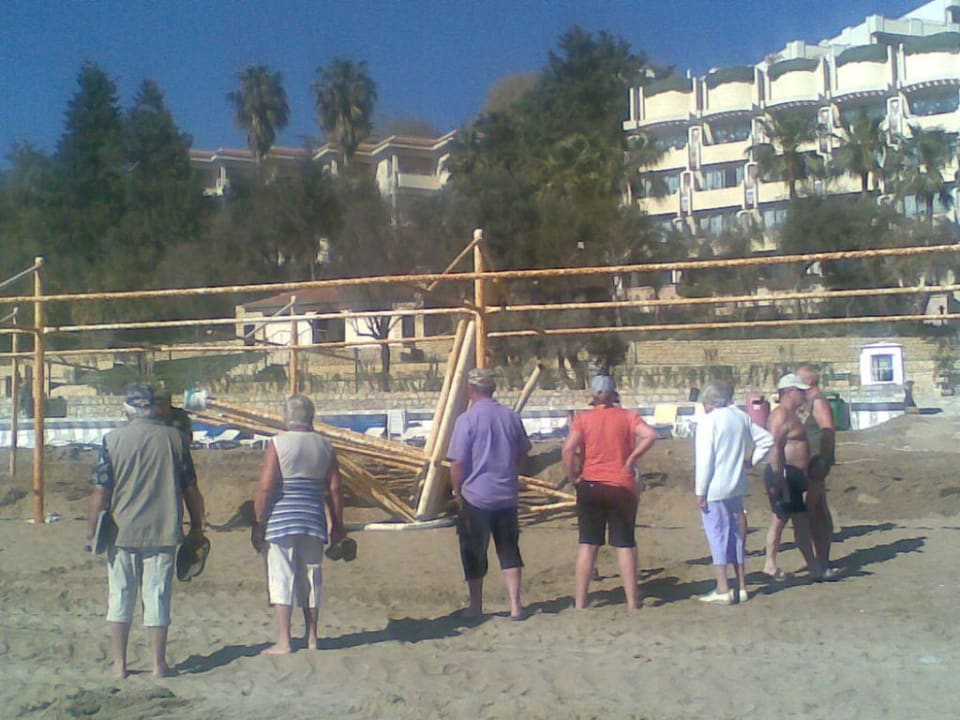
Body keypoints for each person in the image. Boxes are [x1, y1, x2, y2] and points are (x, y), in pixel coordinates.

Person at [86, 383, 206, 679]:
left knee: (120, 595)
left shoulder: (112, 440)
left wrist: (91, 529)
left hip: (121, 530)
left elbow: (101, 491)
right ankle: (159, 664)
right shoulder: (176, 440)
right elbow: (191, 489)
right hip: (163, 529)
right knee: (157, 595)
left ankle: (120, 664)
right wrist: (197, 527)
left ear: (127, 409)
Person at [253, 394, 346, 654]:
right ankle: (312, 637)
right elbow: (335, 489)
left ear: (286, 417)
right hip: (314, 517)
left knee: (282, 576)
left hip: (282, 518)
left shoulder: (278, 443)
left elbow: (266, 486)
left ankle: (284, 641)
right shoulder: (326, 445)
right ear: (311, 417)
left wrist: (259, 520)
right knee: (311, 576)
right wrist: (339, 524)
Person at [562, 375, 658, 610]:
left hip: (591, 483)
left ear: (593, 395)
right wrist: (631, 459)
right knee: (625, 544)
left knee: (588, 544)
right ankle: (632, 602)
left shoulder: (583, 419)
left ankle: (580, 602)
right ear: (614, 394)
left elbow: (568, 448)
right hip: (620, 485)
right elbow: (650, 435)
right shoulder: (628, 416)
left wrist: (573, 476)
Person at [447, 367, 531, 619]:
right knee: (509, 550)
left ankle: (476, 606)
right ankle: (516, 605)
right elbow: (523, 453)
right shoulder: (510, 416)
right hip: (506, 494)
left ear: (471, 389)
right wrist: (513, 475)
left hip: (476, 496)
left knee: (474, 551)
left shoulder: (467, 420)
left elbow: (457, 462)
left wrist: (457, 490)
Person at [694, 381, 773, 605]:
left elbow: (705, 460)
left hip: (714, 488)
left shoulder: (708, 422)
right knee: (737, 536)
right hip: (737, 485)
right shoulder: (740, 417)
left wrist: (700, 491)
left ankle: (723, 588)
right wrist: (752, 461)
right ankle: (742, 586)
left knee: (716, 536)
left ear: (710, 402)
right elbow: (767, 440)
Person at [761, 373, 819, 579]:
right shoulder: (781, 414)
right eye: (801, 392)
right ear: (791, 392)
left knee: (795, 520)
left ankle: (811, 564)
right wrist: (778, 477)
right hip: (784, 473)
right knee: (783, 519)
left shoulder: (789, 414)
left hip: (792, 475)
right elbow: (774, 446)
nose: (804, 395)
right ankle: (771, 564)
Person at [796, 364, 838, 577]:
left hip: (816, 463)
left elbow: (828, 432)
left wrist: (823, 461)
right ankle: (820, 559)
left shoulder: (818, 402)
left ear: (808, 381)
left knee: (814, 512)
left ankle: (821, 560)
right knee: (817, 509)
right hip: (809, 462)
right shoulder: (806, 404)